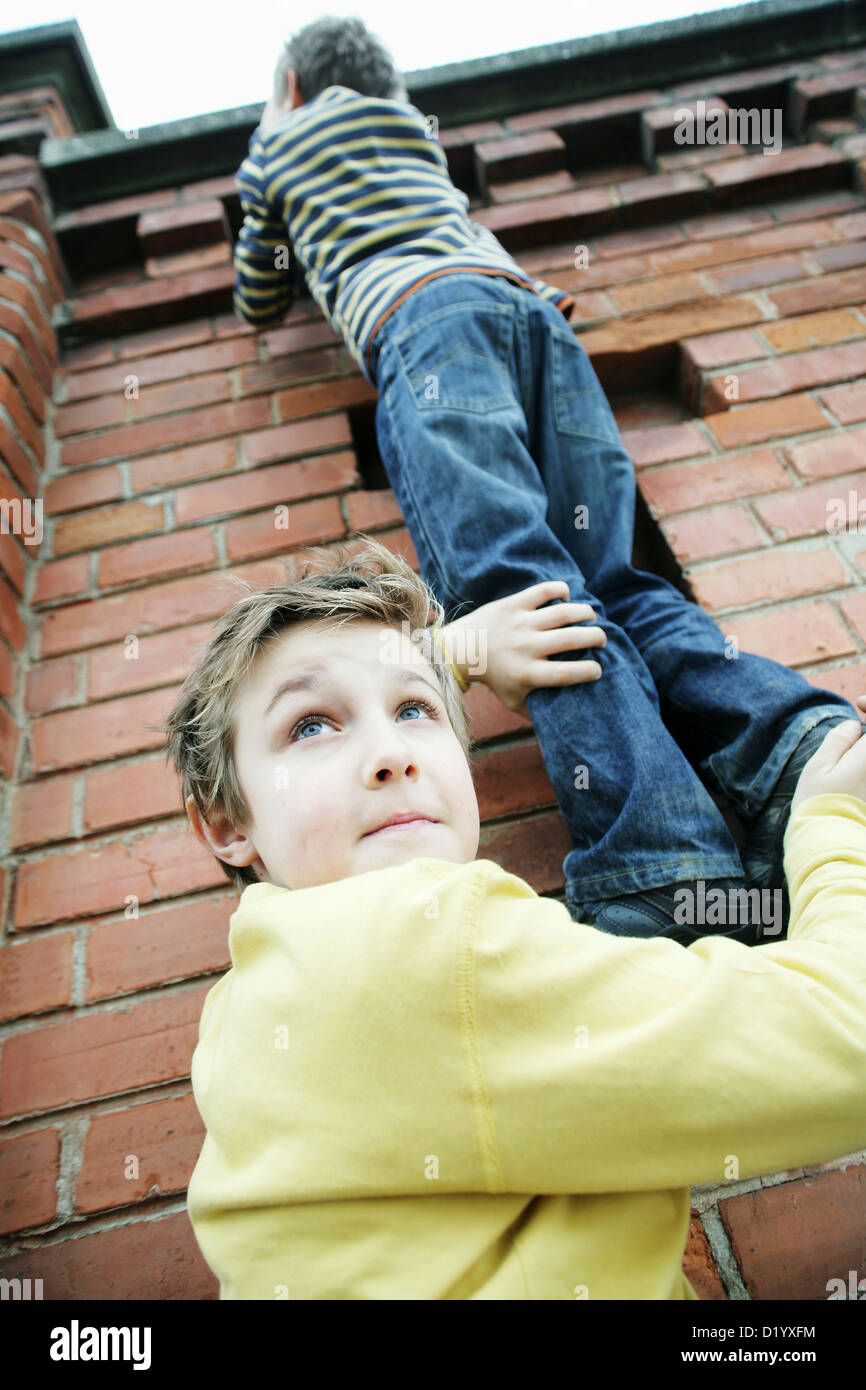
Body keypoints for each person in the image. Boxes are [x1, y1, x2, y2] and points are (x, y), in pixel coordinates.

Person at [230, 15, 862, 937]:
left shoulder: (282, 139)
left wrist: (264, 156)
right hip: (539, 328)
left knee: (522, 594)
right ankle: (803, 751)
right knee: (619, 585)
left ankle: (661, 863)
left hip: (424, 326)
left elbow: (258, 291)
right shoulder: (411, 132)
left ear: (288, 88)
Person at [164, 538, 866, 1301]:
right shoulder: (424, 939)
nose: (391, 753)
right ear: (226, 822)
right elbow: (850, 1041)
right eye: (309, 726)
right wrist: (834, 825)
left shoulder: (240, 1026)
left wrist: (455, 652)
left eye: (415, 710)